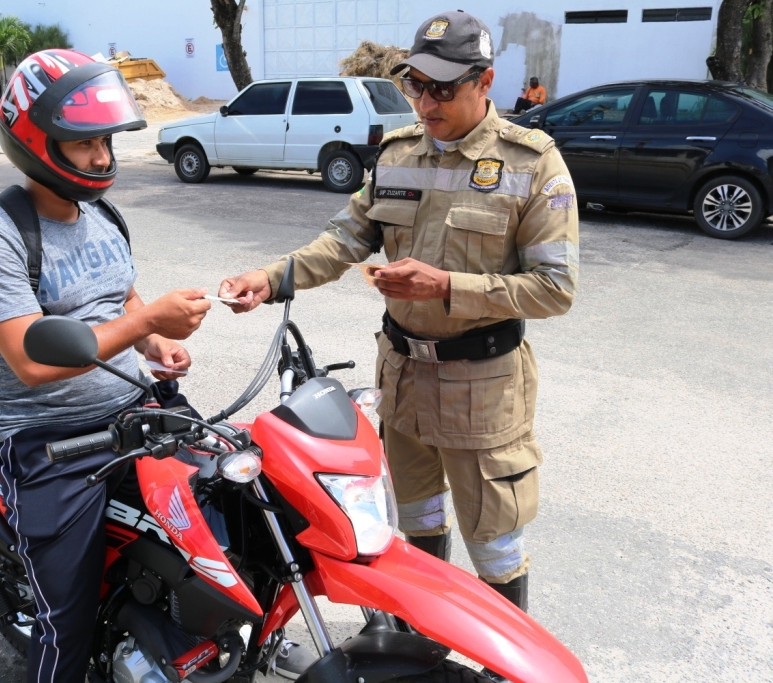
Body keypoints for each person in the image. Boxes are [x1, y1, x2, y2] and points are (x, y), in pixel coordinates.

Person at [218, 11, 578, 680]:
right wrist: (267, 280)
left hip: (484, 392)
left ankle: (503, 669)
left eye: (443, 89)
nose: (425, 101)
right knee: (414, 529)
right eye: (417, 84)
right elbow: (344, 239)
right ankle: (420, 654)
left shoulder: (533, 163)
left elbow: (556, 288)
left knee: (496, 546)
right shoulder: (398, 152)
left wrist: (447, 285)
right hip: (405, 381)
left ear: (486, 82)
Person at [0, 49, 211, 683]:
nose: (103, 158)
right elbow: (31, 360)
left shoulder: (101, 215)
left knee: (238, 521)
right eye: (86, 144)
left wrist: (156, 348)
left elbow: (119, 298)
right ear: (38, 144)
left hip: (136, 412)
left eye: (105, 141)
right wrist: (148, 324)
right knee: (62, 623)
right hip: (51, 444)